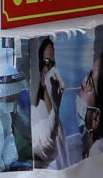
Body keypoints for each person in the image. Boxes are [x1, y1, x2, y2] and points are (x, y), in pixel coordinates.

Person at [32, 38, 69, 168]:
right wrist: (56, 110)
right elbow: (45, 148)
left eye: (54, 65)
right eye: (47, 63)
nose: (53, 71)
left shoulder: (60, 123)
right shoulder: (33, 116)